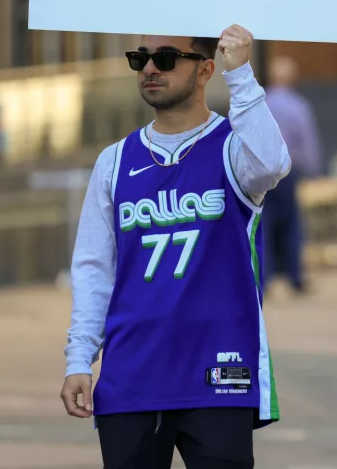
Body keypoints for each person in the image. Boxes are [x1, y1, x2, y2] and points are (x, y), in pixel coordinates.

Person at [60, 25, 291, 469]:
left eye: (166, 58)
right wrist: (78, 359)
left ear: (205, 70)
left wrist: (241, 73)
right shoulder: (114, 160)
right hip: (131, 377)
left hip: (219, 374)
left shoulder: (233, 150)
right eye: (139, 57)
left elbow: (273, 163)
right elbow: (94, 270)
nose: (149, 67)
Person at [261, 55, 322, 295]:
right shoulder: (298, 105)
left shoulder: (260, 102)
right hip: (288, 171)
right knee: (291, 224)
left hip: (261, 170)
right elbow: (307, 140)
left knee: (263, 223)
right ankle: (294, 277)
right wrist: (312, 169)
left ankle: (263, 279)